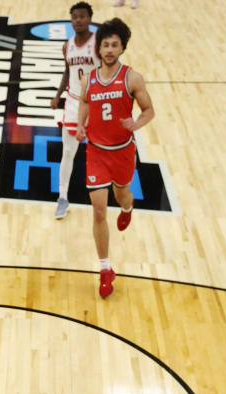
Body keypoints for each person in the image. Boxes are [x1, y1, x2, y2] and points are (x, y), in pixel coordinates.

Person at [74, 17, 153, 298]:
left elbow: (148, 111)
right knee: (97, 209)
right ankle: (105, 268)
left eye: (114, 45)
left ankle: (128, 208)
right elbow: (84, 102)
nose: (109, 49)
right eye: (105, 44)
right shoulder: (88, 78)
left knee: (122, 196)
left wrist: (137, 123)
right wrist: (81, 124)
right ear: (99, 48)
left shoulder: (132, 78)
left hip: (122, 152)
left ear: (122, 48)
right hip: (95, 150)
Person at [48, 2, 95, 220]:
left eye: (82, 16)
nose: (78, 20)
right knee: (68, 152)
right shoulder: (67, 46)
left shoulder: (98, 43)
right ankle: (63, 197)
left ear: (90, 18)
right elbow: (67, 72)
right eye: (74, 17)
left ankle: (112, 192)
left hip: (97, 102)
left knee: (102, 151)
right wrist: (58, 95)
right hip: (74, 102)